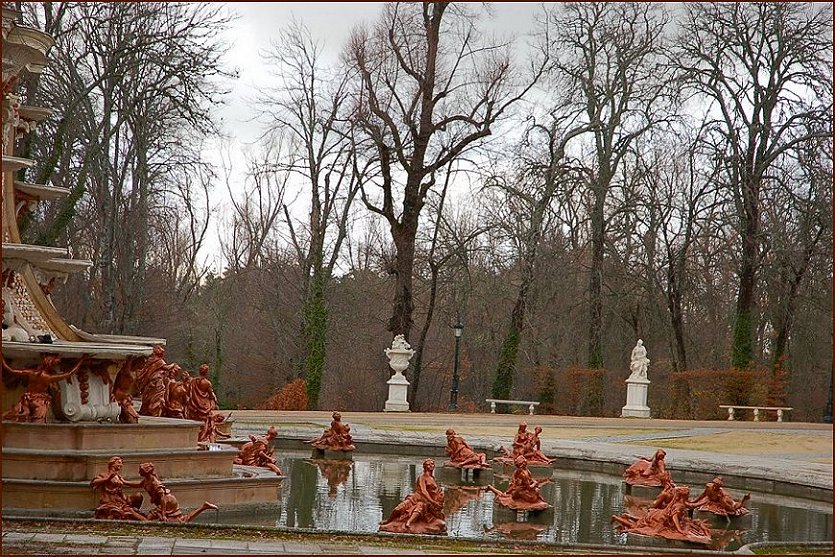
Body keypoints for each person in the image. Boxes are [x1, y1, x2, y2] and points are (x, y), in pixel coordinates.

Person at [2, 354, 88, 423]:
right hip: (40, 401)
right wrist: (81, 360)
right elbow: (70, 373)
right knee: (38, 424)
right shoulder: (49, 377)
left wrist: (2, 358)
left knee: (21, 419)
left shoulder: (31, 373)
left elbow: (10, 369)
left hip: (27, 399)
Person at [379, 459, 446, 534]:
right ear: (425, 467)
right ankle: (388, 521)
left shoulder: (433, 478)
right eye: (428, 464)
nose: (431, 466)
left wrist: (438, 499)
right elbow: (423, 491)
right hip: (414, 499)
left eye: (432, 464)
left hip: (424, 501)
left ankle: (409, 523)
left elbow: (436, 491)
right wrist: (433, 502)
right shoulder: (422, 477)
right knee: (398, 509)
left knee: (419, 507)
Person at [137, 462, 217, 522]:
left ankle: (203, 507)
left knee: (181, 521)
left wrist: (164, 514)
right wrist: (124, 481)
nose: (139, 472)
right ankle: (204, 507)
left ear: (145, 472)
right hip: (163, 503)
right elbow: (138, 484)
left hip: (168, 502)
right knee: (150, 518)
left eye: (140, 470)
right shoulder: (147, 480)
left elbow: (163, 498)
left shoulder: (154, 483)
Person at [90, 456, 147, 521]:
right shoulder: (104, 475)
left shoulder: (119, 477)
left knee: (138, 496)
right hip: (110, 502)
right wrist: (107, 478)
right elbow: (93, 483)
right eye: (119, 463)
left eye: (121, 463)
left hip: (120, 501)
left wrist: (126, 499)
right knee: (129, 511)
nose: (121, 465)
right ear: (113, 464)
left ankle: (146, 521)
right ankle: (147, 522)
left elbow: (123, 489)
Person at [135, 346, 174, 417]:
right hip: (156, 381)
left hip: (150, 381)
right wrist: (173, 365)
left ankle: (147, 410)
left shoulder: (150, 360)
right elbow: (167, 368)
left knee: (148, 396)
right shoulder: (159, 361)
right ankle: (154, 412)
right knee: (157, 396)